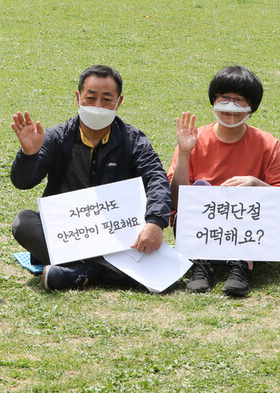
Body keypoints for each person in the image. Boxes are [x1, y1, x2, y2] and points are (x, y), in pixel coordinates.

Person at [10, 65, 172, 291]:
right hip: (69, 231)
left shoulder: (133, 140)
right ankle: (103, 270)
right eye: (91, 97)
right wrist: (29, 155)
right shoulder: (57, 137)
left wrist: (155, 221)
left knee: (145, 249)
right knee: (24, 222)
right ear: (78, 98)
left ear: (119, 102)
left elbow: (157, 179)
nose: (98, 106)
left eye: (106, 99)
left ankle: (79, 270)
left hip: (117, 234)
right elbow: (23, 182)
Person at [168, 66, 280, 297]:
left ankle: (241, 264)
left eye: (239, 100)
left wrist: (256, 184)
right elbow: (176, 200)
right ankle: (200, 263)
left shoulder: (267, 144)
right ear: (214, 100)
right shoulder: (194, 140)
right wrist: (184, 153)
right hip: (200, 230)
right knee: (198, 192)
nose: (230, 107)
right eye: (224, 98)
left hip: (247, 233)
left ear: (251, 107)